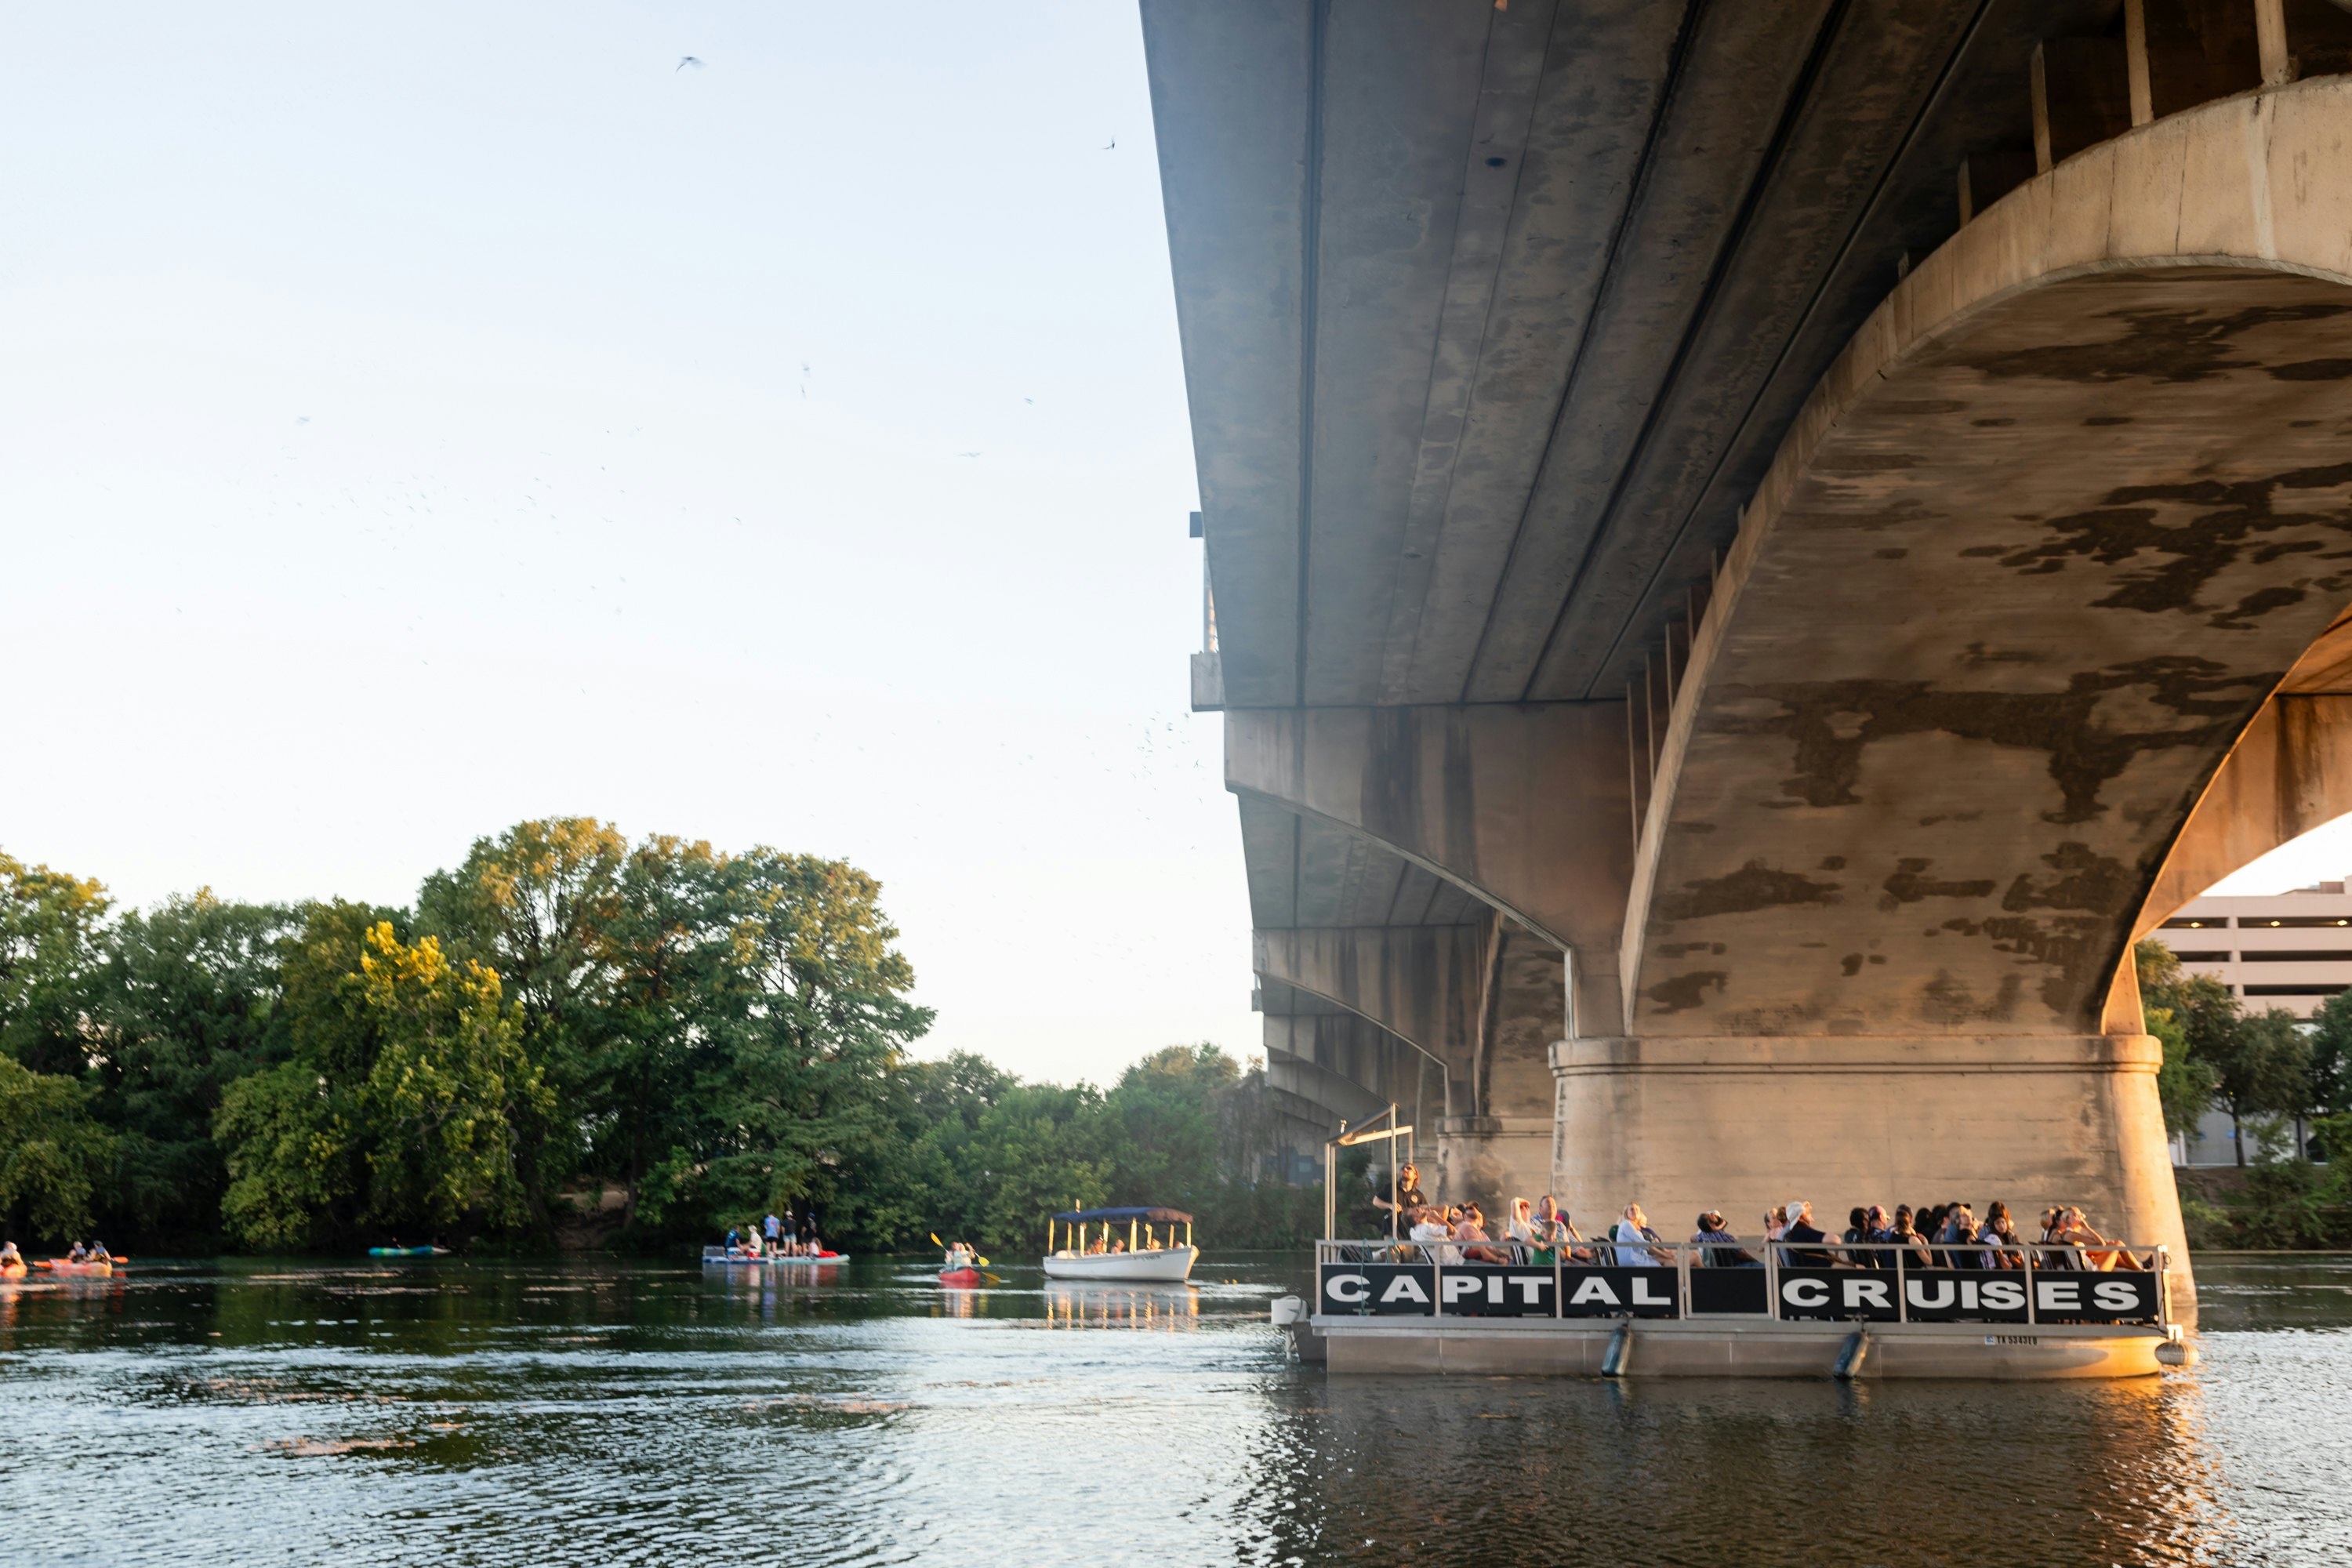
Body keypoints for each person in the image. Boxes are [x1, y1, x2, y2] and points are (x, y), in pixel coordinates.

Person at [1371, 1162, 1429, 1229]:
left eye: (1409, 1168)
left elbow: (1426, 1211)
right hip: (1391, 1231)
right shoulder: (1391, 1187)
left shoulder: (1419, 1195)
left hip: (1412, 1233)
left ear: (1415, 1175)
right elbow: (1375, 1201)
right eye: (1402, 1168)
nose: (1405, 1169)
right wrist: (1390, 1206)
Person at [1691, 1211, 1758, 1268]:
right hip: (1736, 1265)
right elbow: (1741, 1254)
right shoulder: (1723, 1237)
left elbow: (1692, 1239)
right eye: (1710, 1215)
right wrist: (1755, 1261)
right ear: (1711, 1224)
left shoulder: (1702, 1235)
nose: (1712, 1214)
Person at [1780, 1200, 1835, 1269]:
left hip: (1816, 1269)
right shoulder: (1803, 1231)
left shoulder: (1794, 1232)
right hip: (1824, 1269)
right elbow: (1836, 1240)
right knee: (1851, 1269)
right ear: (1800, 1218)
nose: (1811, 1217)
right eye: (1807, 1213)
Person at [1613, 1203, 1669, 1268]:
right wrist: (1664, 1254)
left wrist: (1664, 1254)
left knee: (1669, 1260)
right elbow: (1644, 1244)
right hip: (1632, 1261)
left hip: (1640, 1258)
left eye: (1637, 1210)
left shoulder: (1636, 1228)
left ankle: (1677, 1277)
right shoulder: (1626, 1224)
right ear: (1627, 1213)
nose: (1635, 1211)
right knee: (1667, 1260)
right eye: (1632, 1209)